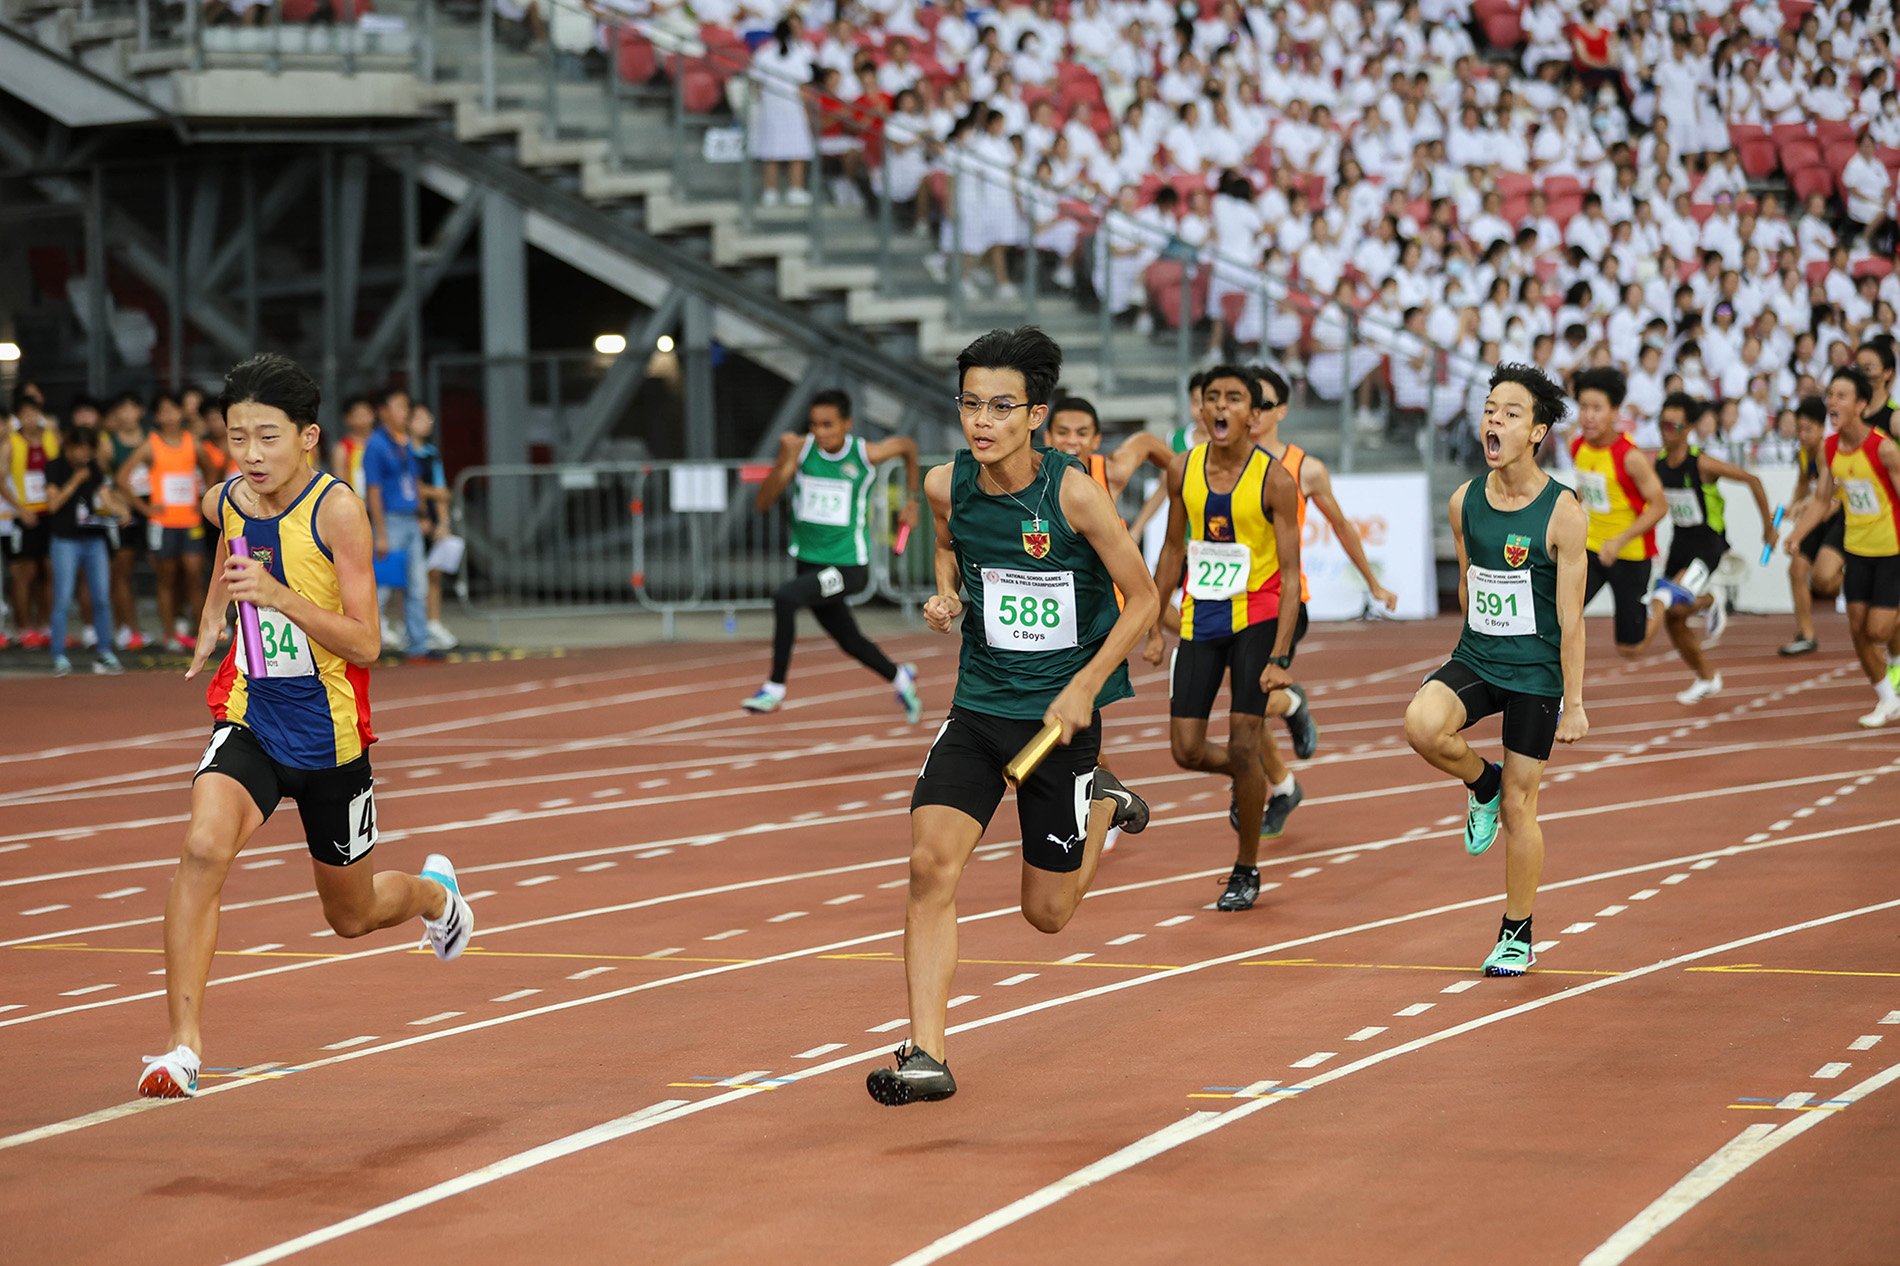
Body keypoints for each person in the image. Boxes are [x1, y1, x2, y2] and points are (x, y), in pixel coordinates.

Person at [139, 354, 472, 1101]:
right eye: (237, 438)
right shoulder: (228, 498)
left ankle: (434, 898)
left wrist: (280, 598)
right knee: (200, 849)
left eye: (267, 438)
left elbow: (367, 642)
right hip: (253, 713)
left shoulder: (337, 511)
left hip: (331, 738)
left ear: (309, 437)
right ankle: (181, 1050)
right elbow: (231, 557)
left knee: (351, 917)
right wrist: (211, 621)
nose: (251, 456)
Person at [867, 327, 1156, 1106]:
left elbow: (1145, 598)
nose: (981, 421)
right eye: (970, 404)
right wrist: (947, 593)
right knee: (929, 865)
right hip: (980, 707)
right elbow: (948, 547)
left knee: (1048, 915)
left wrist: (1087, 685)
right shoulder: (943, 484)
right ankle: (926, 1053)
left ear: (1036, 414)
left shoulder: (1074, 494)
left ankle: (1100, 805)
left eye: (1001, 406)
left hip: (1060, 723)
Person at [1403, 363, 1588, 977]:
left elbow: (1572, 617)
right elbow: (1466, 582)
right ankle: (1479, 780)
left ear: (1536, 432)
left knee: (1520, 806)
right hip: (1480, 656)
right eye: (1489, 409)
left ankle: (1517, 932)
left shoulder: (1564, 512)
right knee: (1422, 725)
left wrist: (1576, 701)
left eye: (1510, 413)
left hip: (1536, 674)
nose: (1494, 420)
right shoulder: (1464, 502)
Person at [1143, 366, 1307, 913]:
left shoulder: (1275, 480)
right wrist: (1152, 626)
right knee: (1185, 749)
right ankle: (1250, 776)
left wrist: (1281, 656)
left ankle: (1246, 867)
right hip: (1201, 618)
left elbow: (1288, 575)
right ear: (1201, 409)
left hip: (1257, 616)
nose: (1220, 407)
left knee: (1243, 737)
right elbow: (1171, 549)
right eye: (1211, 397)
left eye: (1233, 399)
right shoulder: (1182, 470)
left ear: (1252, 416)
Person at [745, 389, 923, 720]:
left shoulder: (864, 454)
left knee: (786, 597)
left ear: (847, 424)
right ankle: (902, 678)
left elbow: (907, 447)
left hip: (847, 566)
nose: (820, 433)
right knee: (849, 640)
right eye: (814, 425)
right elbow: (762, 503)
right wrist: (785, 462)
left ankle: (774, 688)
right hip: (809, 563)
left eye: (828, 425)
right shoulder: (801, 452)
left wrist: (910, 500)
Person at [1784, 366, 1900, 727]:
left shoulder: (1884, 450)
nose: (1832, 402)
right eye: (1830, 395)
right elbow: (1821, 501)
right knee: (1857, 628)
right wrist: (1797, 535)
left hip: (1891, 551)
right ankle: (1886, 698)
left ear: (1862, 405)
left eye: (1841, 396)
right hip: (1856, 551)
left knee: (1878, 631)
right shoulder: (1829, 449)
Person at [1647, 392, 1776, 703]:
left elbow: (1753, 479)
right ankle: (1707, 678)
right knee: (1672, 617)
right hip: (1680, 542)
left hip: (1708, 544)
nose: (1666, 430)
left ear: (1688, 428)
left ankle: (1711, 598)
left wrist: (1768, 528)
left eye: (1672, 425)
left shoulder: (1701, 463)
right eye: (1662, 424)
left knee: (1673, 602)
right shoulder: (1660, 465)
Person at [1569, 367, 1666, 658]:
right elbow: (1588, 489)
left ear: (1614, 412)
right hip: (1590, 550)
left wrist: (1619, 540)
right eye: (1583, 407)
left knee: (1630, 649)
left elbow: (1660, 506)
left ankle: (1663, 600)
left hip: (1630, 555)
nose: (1588, 415)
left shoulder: (1630, 456)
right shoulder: (1578, 447)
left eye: (1597, 408)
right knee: (1561, 617)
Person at [116, 393, 222, 654]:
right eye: (164, 411)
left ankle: (201, 633)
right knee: (167, 579)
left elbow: (211, 467)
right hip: (162, 522)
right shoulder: (151, 444)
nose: (170, 416)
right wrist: (144, 507)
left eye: (174, 410)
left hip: (190, 521)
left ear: (181, 414)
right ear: (156, 416)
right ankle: (170, 634)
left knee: (195, 575)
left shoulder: (192, 441)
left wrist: (203, 496)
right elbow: (122, 476)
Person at [43, 426, 127, 676]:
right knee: (63, 598)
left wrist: (120, 510)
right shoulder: (55, 467)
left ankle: (105, 651)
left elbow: (105, 495)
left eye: (88, 450)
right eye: (79, 448)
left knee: (101, 597)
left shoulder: (95, 468)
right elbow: (53, 504)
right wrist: (75, 480)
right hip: (64, 540)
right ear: (68, 446)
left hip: (94, 538)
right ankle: (58, 654)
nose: (83, 454)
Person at [362, 387, 429, 661]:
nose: (406, 413)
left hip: (410, 520)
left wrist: (422, 514)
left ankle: (418, 646)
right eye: (400, 406)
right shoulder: (376, 445)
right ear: (384, 412)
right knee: (381, 587)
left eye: (406, 407)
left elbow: (414, 483)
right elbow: (374, 490)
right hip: (390, 520)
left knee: (417, 585)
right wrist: (381, 532)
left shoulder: (406, 443)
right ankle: (368, 647)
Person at [1782, 395, 1845, 656]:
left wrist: (1804, 505)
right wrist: (1793, 505)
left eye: (1808, 429)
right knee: (1797, 569)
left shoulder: (1826, 450)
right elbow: (1802, 483)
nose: (1802, 434)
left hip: (1837, 515)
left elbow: (1827, 496)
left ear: (1821, 428)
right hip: (1816, 518)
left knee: (1824, 580)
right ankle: (1806, 634)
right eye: (1799, 429)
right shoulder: (1803, 452)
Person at [4, 384, 59, 649]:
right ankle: (24, 628)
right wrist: (20, 509)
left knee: (49, 570)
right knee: (23, 573)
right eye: (24, 414)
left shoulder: (51, 437)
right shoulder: (11, 443)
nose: (29, 418)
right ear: (17, 417)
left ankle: (44, 625)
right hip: (23, 515)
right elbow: (0, 479)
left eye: (33, 413)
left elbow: (59, 469)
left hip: (48, 512)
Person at [100, 392, 152, 650]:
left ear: (140, 412)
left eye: (131, 408)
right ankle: (127, 629)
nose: (126, 414)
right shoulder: (109, 443)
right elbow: (102, 481)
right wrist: (118, 504)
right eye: (121, 409)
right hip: (125, 512)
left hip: (153, 509)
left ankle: (176, 626)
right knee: (123, 571)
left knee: (164, 566)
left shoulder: (151, 439)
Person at [407, 403, 458, 652]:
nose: (427, 421)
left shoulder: (430, 453)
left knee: (433, 573)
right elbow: (410, 488)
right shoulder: (403, 451)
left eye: (429, 417)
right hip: (412, 519)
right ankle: (406, 626)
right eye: (420, 417)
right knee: (406, 576)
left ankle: (433, 622)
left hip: (433, 522)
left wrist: (444, 523)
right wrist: (420, 512)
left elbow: (442, 492)